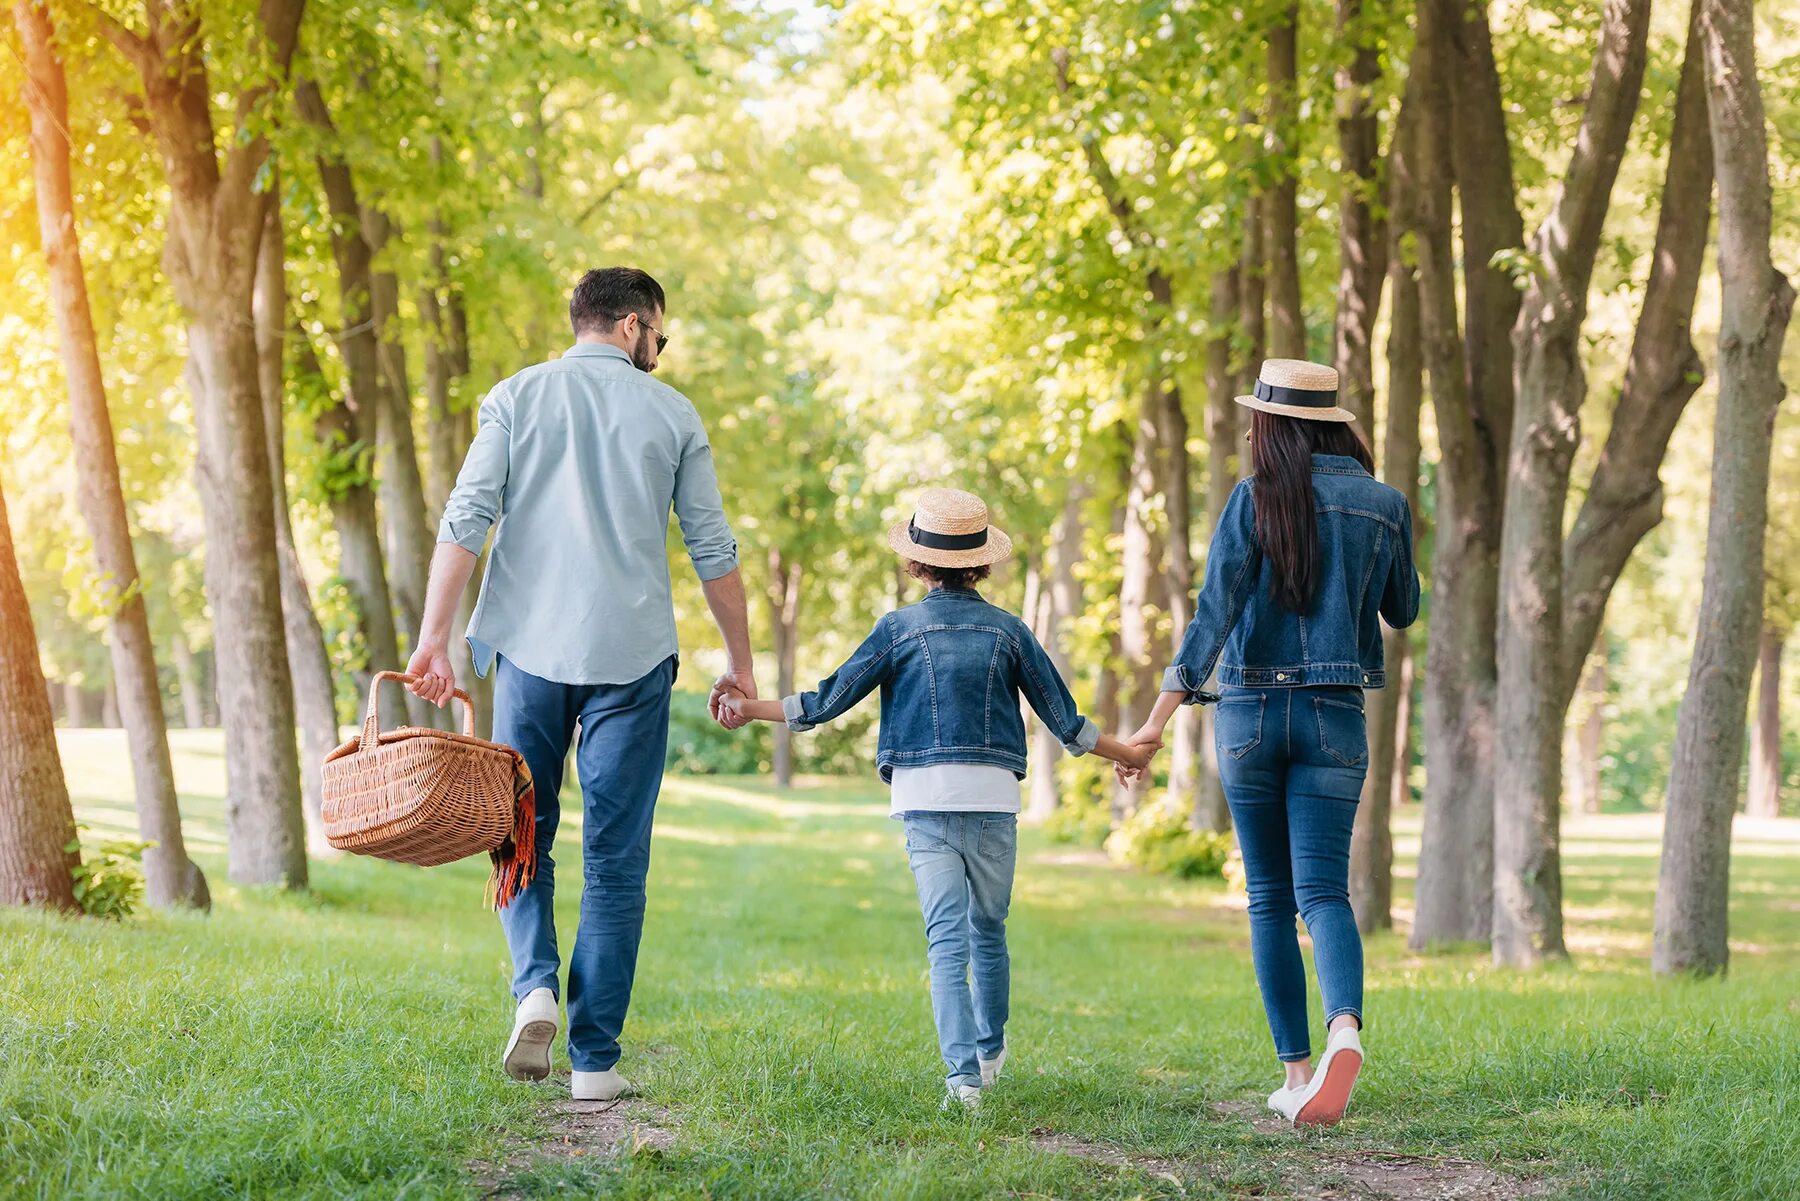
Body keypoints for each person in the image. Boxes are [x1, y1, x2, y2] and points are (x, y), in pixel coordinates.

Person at [404, 267, 757, 1102]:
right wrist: (740, 662)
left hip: (527, 651)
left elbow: (466, 518)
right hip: (631, 660)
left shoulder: (516, 396)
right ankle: (595, 1062)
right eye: (659, 339)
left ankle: (534, 985)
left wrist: (433, 639)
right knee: (616, 859)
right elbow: (714, 547)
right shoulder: (672, 415)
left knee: (519, 828)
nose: (659, 355)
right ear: (632, 326)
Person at [718, 488, 1154, 1109]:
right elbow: (1065, 720)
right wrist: (1129, 754)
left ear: (917, 563)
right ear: (981, 562)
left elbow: (825, 701)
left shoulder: (897, 630)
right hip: (994, 799)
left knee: (945, 938)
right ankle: (990, 1049)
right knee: (989, 930)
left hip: (923, 801)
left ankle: (962, 1081)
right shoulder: (1010, 631)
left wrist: (749, 707)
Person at [1124, 359, 1420, 1127]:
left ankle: (1296, 1073)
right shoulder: (1383, 503)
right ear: (1331, 423)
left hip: (1251, 716)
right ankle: (1344, 1030)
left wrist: (1156, 722)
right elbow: (1404, 608)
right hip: (1334, 715)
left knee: (1268, 899)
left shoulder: (1252, 499)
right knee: (1325, 892)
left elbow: (1212, 615)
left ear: (1269, 424)